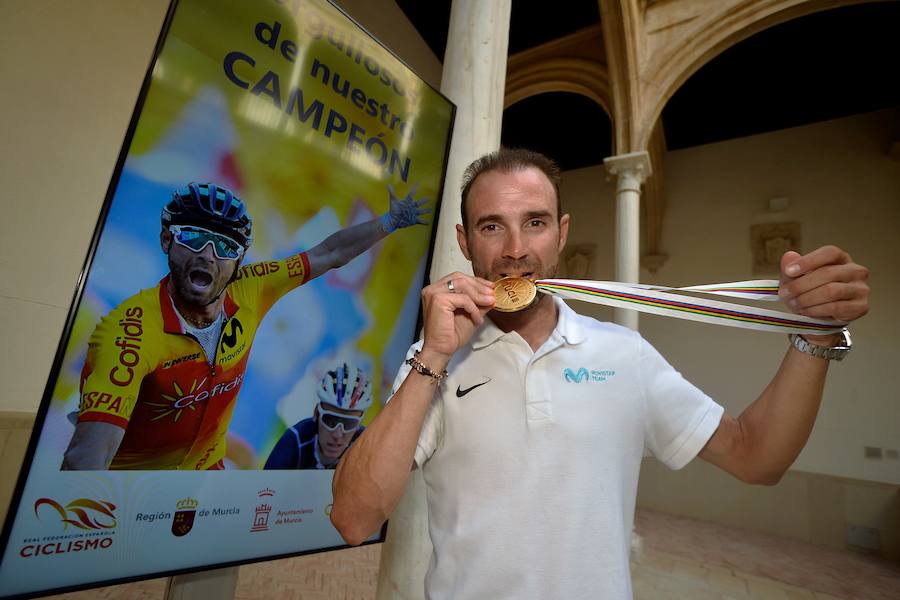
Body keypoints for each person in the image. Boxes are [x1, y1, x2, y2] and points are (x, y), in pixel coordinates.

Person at [330, 149, 870, 598]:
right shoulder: (433, 360)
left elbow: (757, 457)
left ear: (561, 234)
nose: (516, 250)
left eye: (535, 223)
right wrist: (435, 357)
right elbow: (354, 518)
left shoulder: (623, 353)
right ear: (465, 241)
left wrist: (814, 336)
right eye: (492, 226)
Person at [62, 181, 428, 470]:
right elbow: (88, 456)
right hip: (133, 489)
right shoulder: (128, 333)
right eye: (192, 237)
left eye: (224, 245)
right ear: (166, 240)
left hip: (206, 476)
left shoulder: (253, 285)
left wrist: (388, 223)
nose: (208, 254)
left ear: (239, 259)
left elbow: (328, 253)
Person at [264, 362, 372, 469]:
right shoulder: (294, 441)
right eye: (330, 420)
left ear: (359, 425)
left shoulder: (366, 447)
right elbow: (265, 485)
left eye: (349, 424)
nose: (337, 434)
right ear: (316, 413)